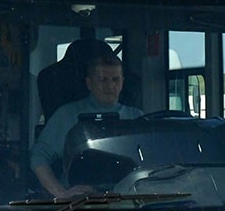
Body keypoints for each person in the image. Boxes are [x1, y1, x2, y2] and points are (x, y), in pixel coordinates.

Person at [31, 51, 142, 198]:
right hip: (79, 203)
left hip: (127, 201)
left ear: (122, 82)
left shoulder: (136, 117)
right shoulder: (67, 115)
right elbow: (38, 157)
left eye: (115, 79)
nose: (110, 85)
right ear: (89, 83)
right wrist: (61, 193)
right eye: (103, 79)